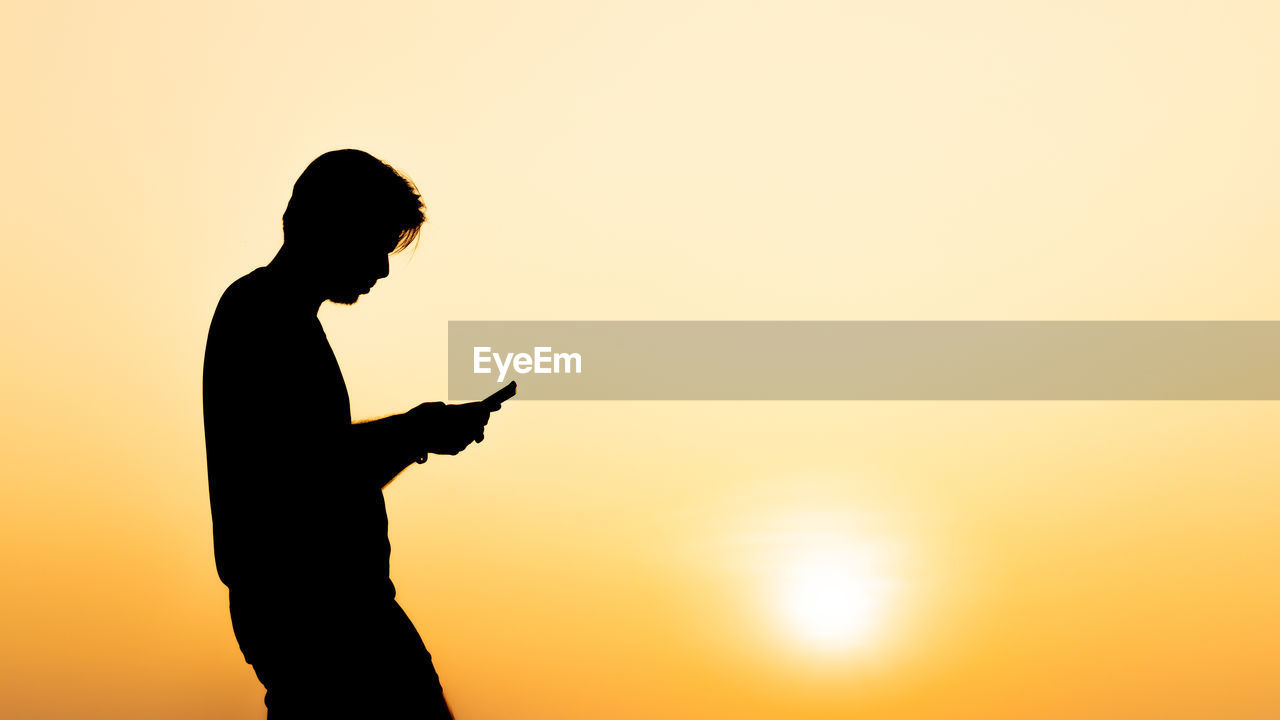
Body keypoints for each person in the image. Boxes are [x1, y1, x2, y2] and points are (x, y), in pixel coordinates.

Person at [202, 149, 491, 718]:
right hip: (321, 618)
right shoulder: (261, 318)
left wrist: (416, 436)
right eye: (376, 246)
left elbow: (325, 471)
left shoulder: (278, 318)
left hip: (329, 613)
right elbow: (305, 477)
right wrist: (416, 431)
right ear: (330, 225)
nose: (382, 270)